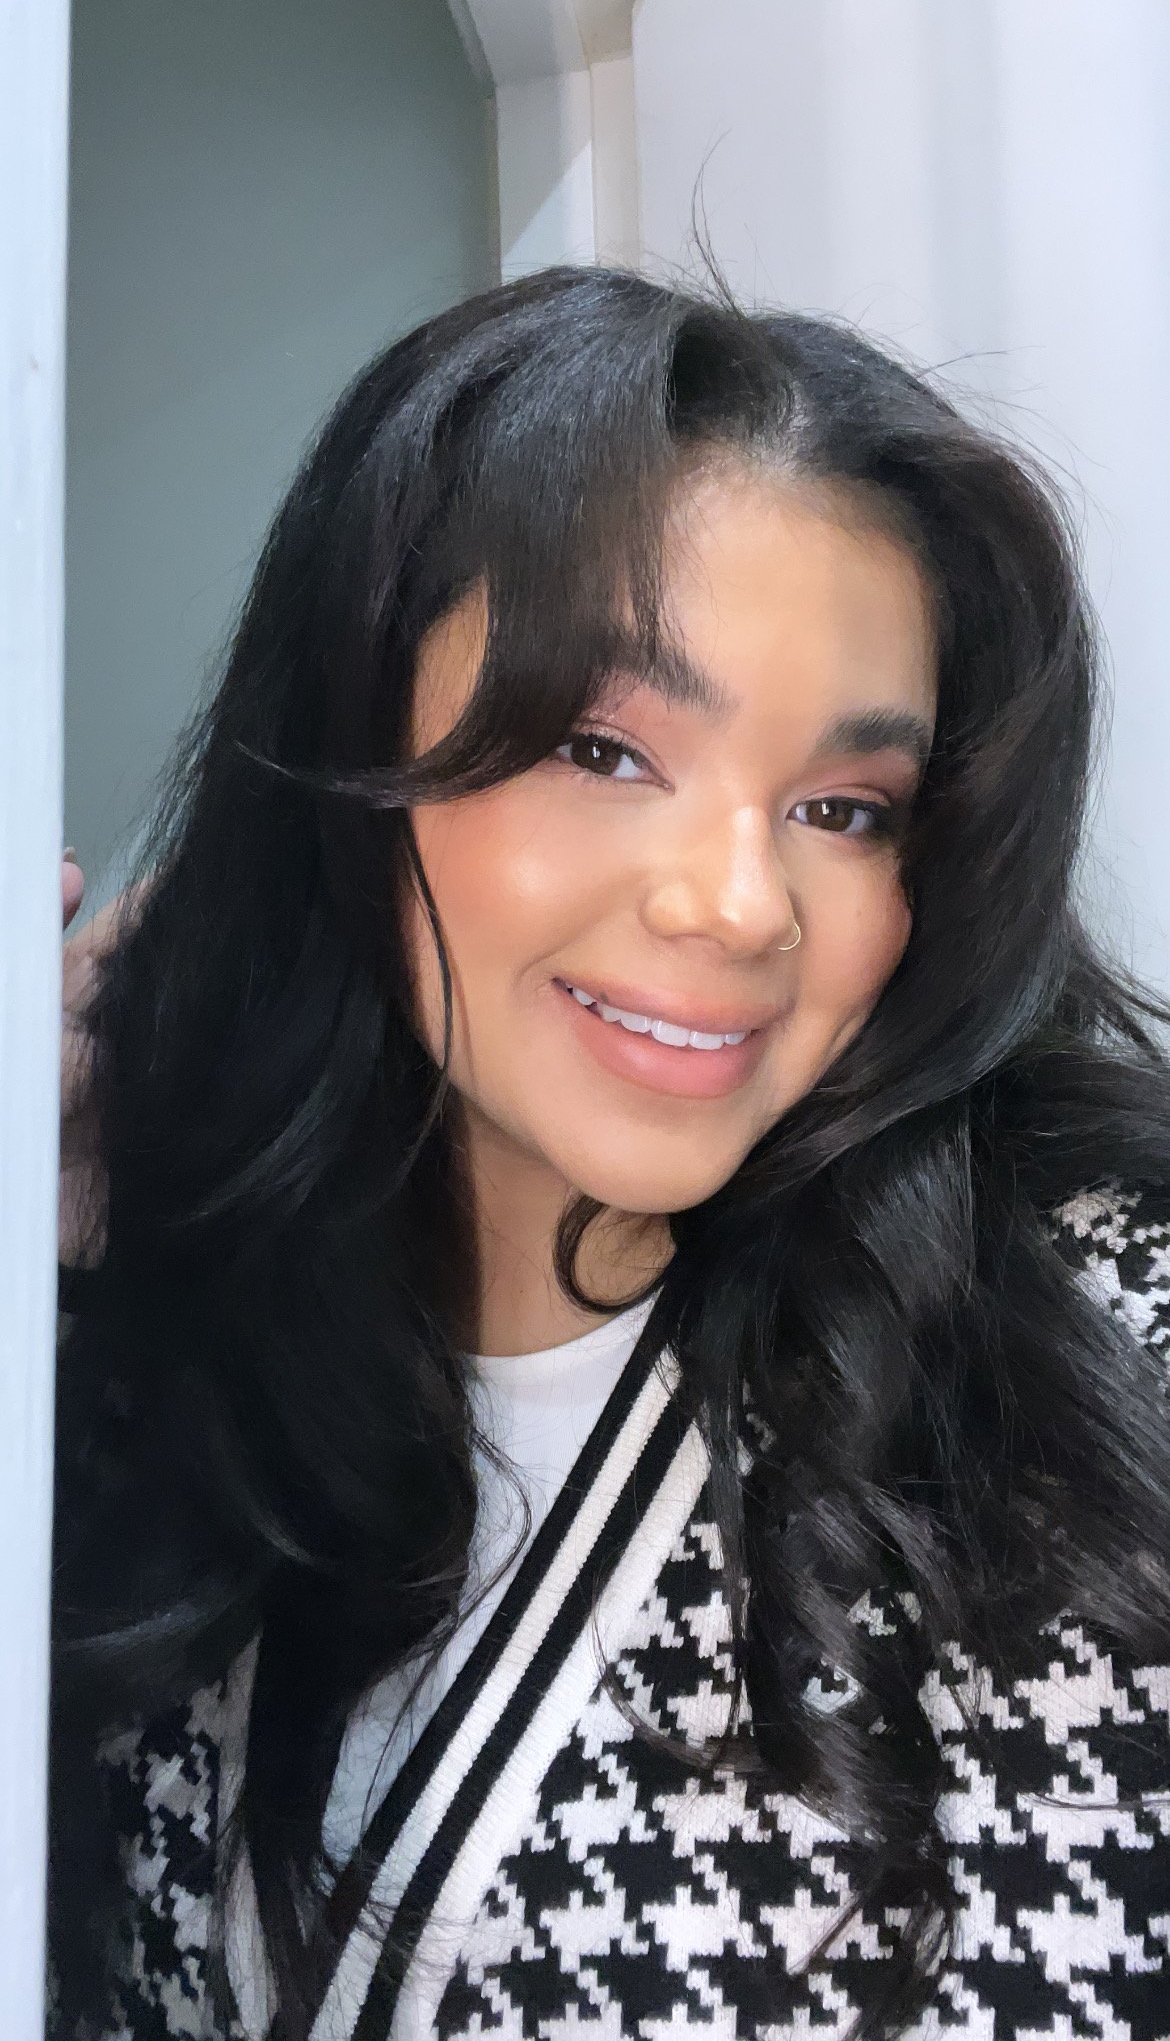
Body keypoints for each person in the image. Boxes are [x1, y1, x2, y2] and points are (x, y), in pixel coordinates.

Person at [49, 267, 1170, 2041]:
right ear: (351, 747)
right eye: (600, 746)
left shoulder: (1094, 1332)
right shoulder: (147, 1373)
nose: (736, 907)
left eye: (840, 810)